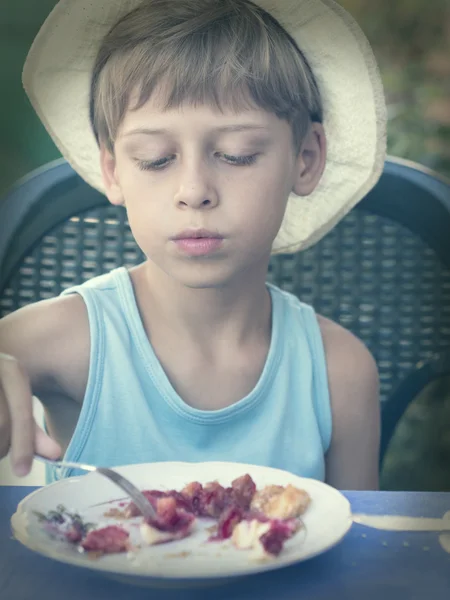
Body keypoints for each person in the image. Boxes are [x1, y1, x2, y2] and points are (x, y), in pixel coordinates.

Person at [0, 0, 386, 489]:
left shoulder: (339, 373)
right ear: (114, 170)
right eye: (156, 159)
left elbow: (365, 551)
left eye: (236, 154)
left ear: (305, 159)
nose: (193, 190)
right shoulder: (60, 340)